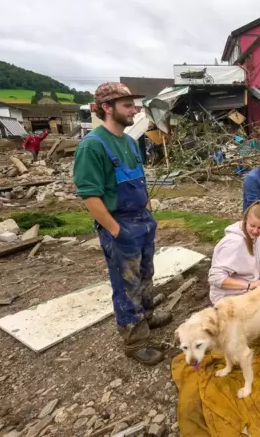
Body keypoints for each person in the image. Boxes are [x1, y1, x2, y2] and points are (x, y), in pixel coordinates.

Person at [73, 82, 171, 366]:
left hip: (142, 220)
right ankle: (135, 339)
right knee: (125, 284)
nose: (135, 110)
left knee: (145, 275)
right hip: (120, 224)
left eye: (134, 105)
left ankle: (147, 319)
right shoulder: (92, 146)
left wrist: (149, 214)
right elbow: (90, 196)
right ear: (107, 107)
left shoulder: (129, 141)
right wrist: (115, 231)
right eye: (127, 105)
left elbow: (139, 181)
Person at [208, 201, 260, 304]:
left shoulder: (256, 238)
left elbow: (252, 264)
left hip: (246, 285)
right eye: (252, 225)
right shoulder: (234, 243)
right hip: (228, 297)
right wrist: (249, 285)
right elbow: (215, 278)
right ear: (245, 220)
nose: (255, 231)